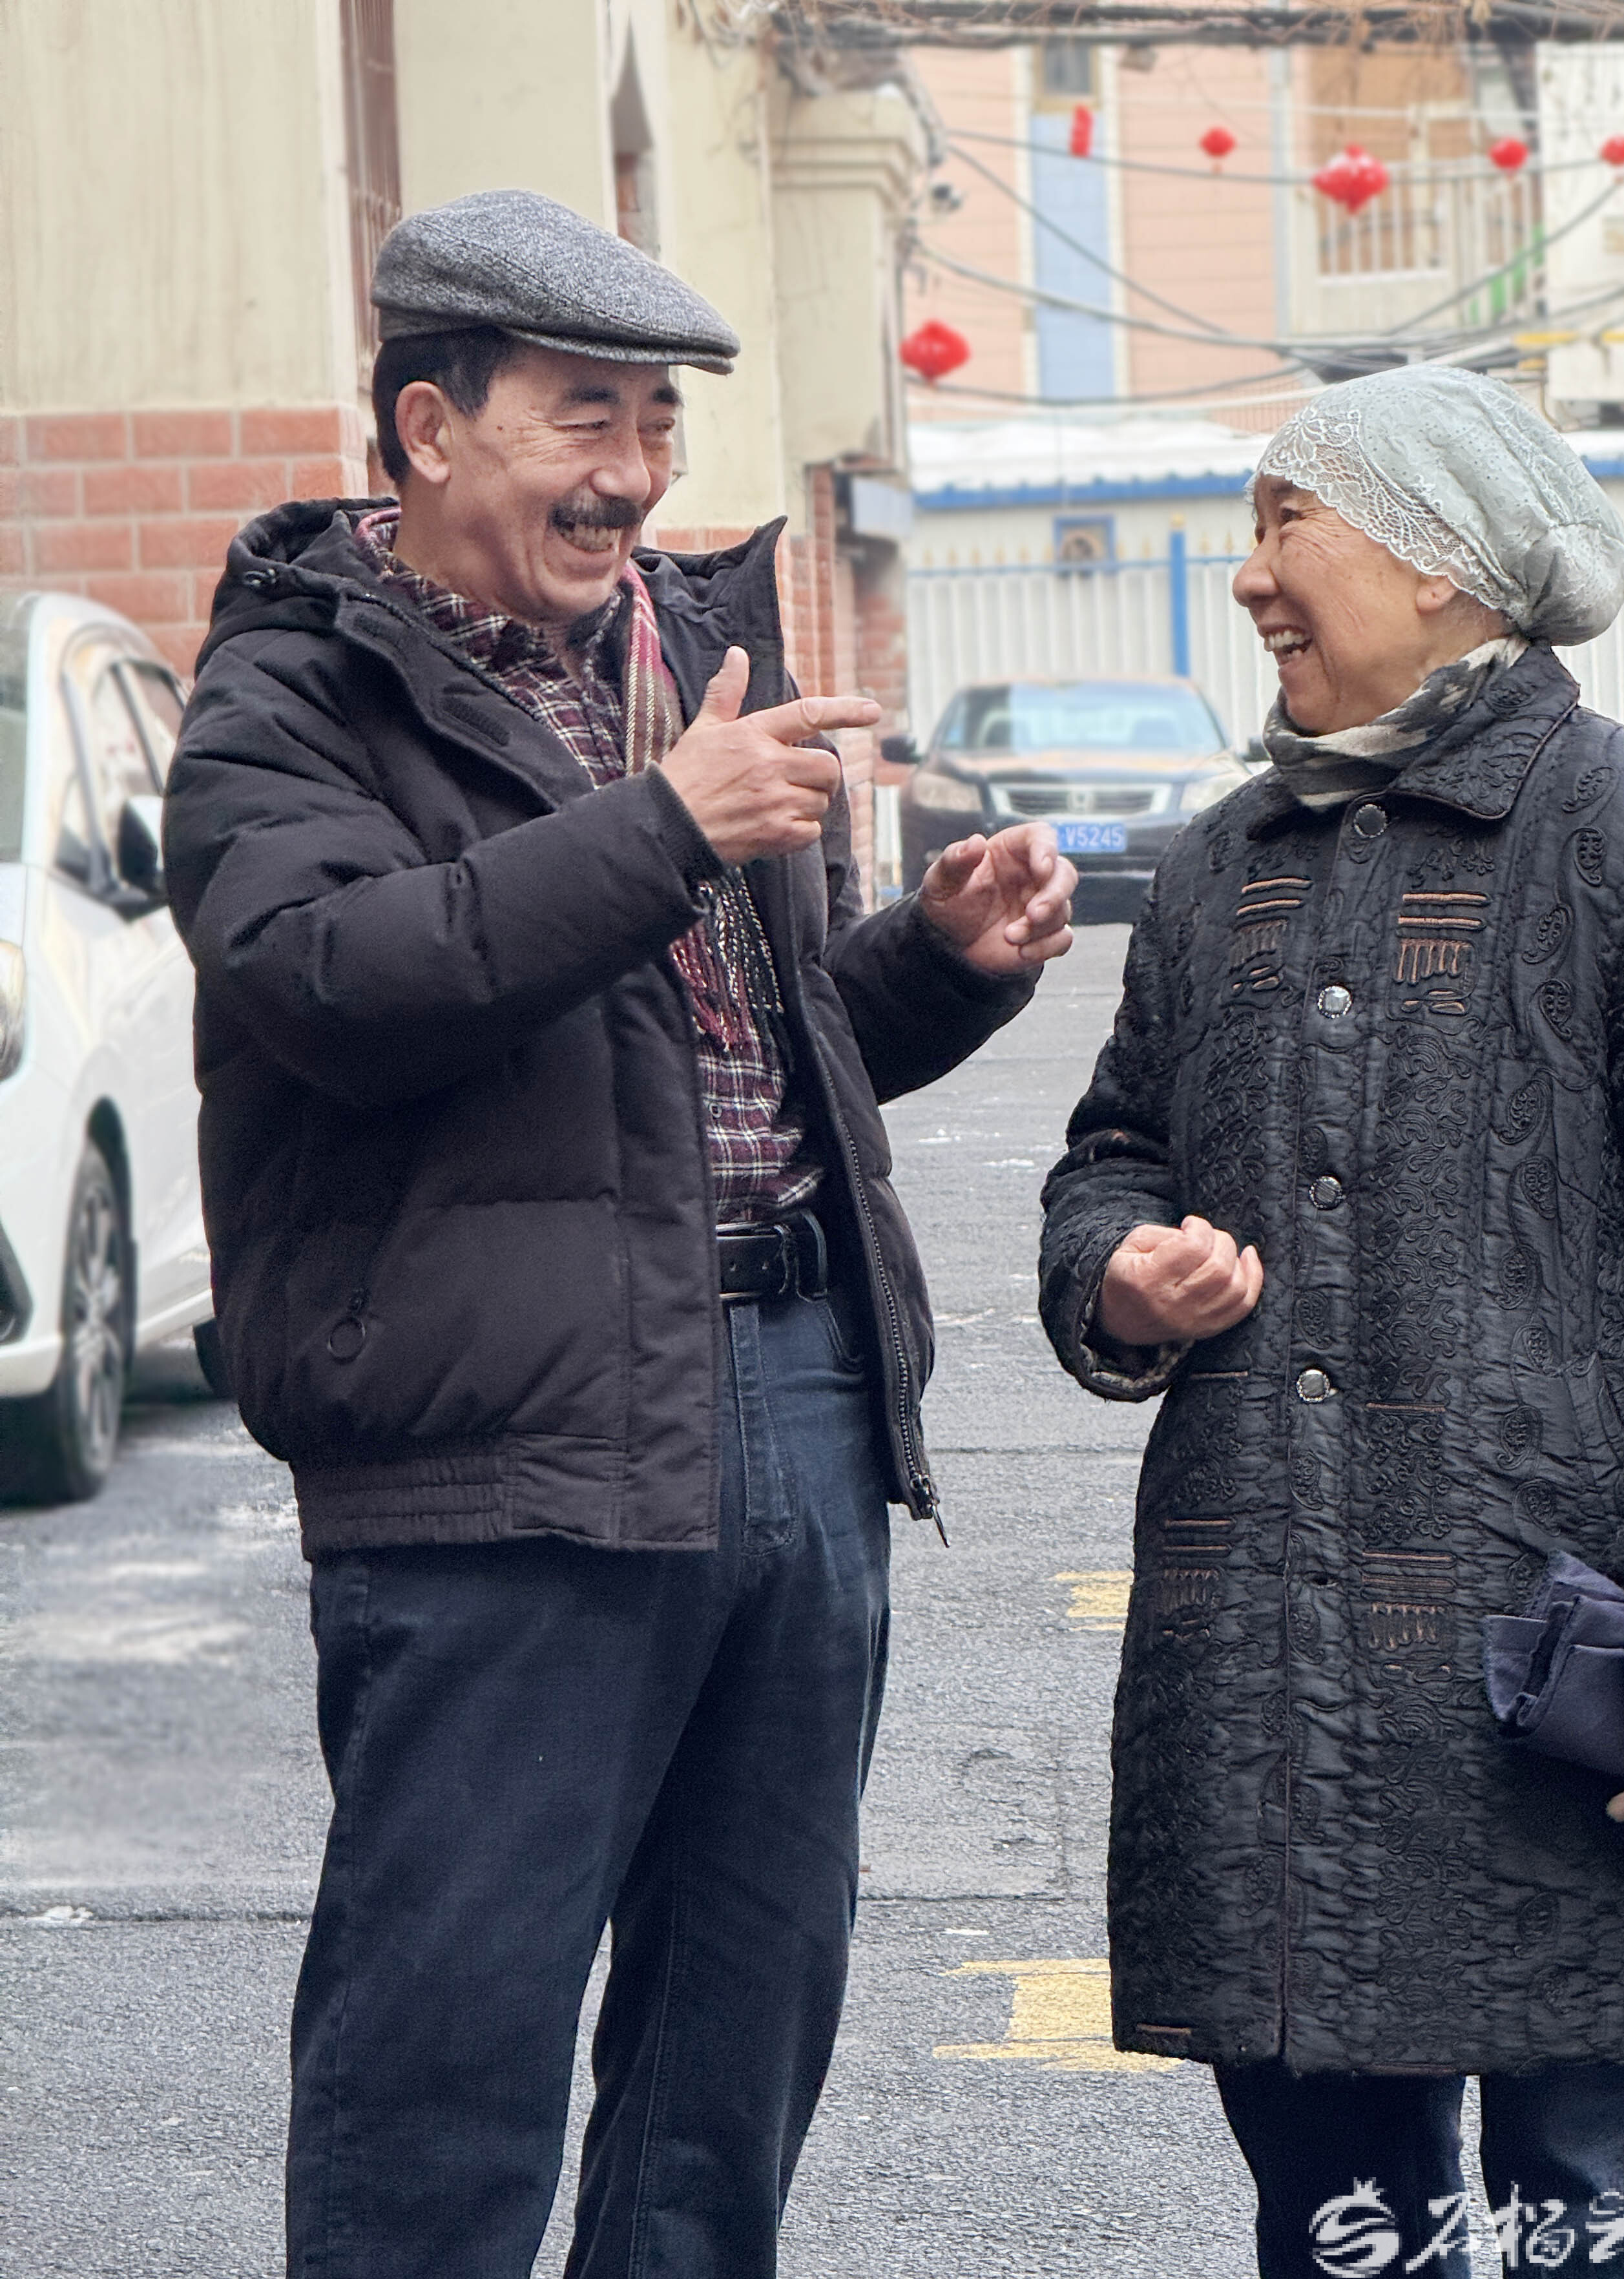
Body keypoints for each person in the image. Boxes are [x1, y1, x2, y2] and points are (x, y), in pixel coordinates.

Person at [163, 188, 1076, 2279]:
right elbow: (331, 984)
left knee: (734, 2039)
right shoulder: (294, 691)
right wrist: (669, 825)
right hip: (506, 1448)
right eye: (588, 417)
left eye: (660, 424)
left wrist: (938, 963)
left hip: (799, 1400)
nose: (638, 476)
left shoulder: (692, 655)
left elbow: (734, 1072)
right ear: (427, 428)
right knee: (445, 2051)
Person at [1039, 364, 1624, 2278]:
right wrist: (1118, 1268)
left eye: (1286, 524)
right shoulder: (1224, 863)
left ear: (1440, 561)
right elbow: (1114, 1148)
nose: (1251, 575)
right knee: (1336, 2203)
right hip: (1270, 1661)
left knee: (1602, 2189)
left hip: (1566, 1641)